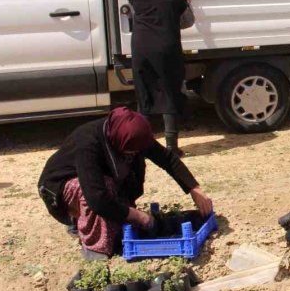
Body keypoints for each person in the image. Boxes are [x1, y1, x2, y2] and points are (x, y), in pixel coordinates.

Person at [37, 107, 214, 260]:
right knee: (103, 188)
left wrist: (195, 189)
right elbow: (97, 199)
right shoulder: (88, 143)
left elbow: (167, 159)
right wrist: (138, 216)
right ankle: (94, 248)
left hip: (97, 185)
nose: (134, 153)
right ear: (119, 140)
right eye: (131, 150)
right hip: (59, 191)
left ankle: (102, 224)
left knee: (121, 182)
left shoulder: (132, 132)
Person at [125, 0, 192, 156]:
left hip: (142, 48)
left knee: (144, 93)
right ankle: (171, 146)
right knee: (170, 92)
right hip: (167, 48)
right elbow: (188, 21)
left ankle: (143, 144)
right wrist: (187, 3)